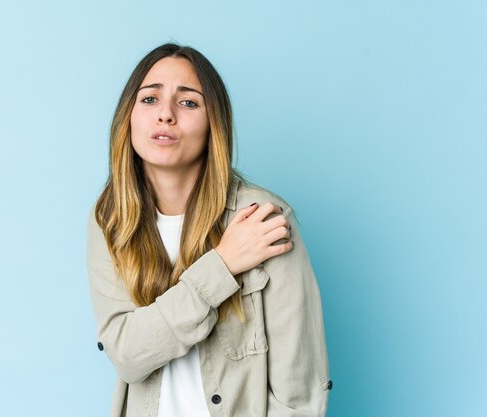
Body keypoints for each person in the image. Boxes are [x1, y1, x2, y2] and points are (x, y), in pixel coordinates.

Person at [86, 42, 332, 417]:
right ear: (128, 118)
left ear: (213, 123)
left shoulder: (263, 218)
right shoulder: (110, 220)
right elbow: (128, 356)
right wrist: (222, 265)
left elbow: (298, 392)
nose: (165, 115)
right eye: (149, 99)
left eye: (188, 103)